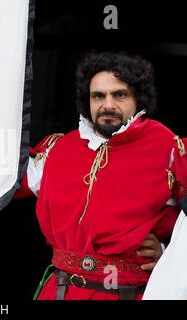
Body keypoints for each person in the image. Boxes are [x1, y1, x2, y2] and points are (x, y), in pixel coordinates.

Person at [15, 51, 185, 300]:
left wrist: (170, 256)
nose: (108, 105)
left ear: (138, 98)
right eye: (98, 96)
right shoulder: (59, 149)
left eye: (119, 95)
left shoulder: (170, 150)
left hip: (128, 293)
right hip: (62, 292)